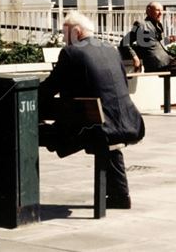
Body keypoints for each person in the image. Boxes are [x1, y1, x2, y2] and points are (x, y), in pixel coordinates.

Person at [39, 11, 145, 210]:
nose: (64, 40)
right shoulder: (110, 49)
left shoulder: (71, 53)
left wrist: (30, 98)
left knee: (36, 132)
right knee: (106, 136)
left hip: (97, 129)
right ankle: (119, 196)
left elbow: (51, 87)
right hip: (129, 123)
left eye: (65, 34)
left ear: (77, 32)